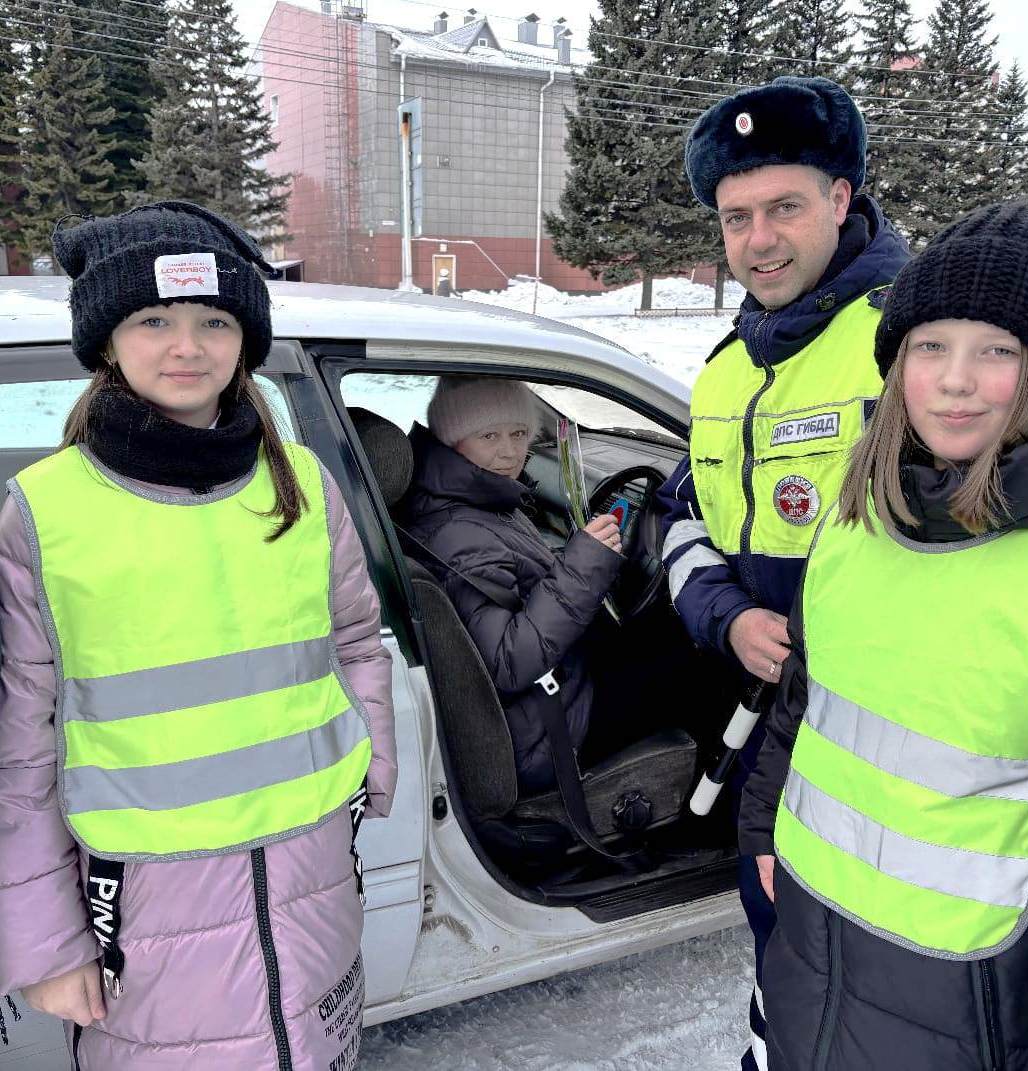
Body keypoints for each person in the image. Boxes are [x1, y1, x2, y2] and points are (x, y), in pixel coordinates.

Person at [740, 201, 1028, 1070]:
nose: (954, 379)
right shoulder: (856, 526)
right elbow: (806, 706)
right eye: (929, 345)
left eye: (996, 349)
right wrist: (761, 834)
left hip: (975, 1023)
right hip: (813, 971)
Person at [0, 202, 397, 1070]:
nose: (188, 347)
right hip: (147, 903)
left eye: (214, 320)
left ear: (245, 339)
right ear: (107, 341)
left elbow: (357, 642)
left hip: (312, 872)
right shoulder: (45, 512)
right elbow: (20, 751)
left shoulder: (301, 481)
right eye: (154, 320)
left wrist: (371, 761)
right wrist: (48, 944)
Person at [655, 75, 910, 1068]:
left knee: (884, 980)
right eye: (735, 217)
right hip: (772, 736)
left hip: (884, 742)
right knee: (787, 950)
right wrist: (724, 616)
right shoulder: (725, 372)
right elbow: (680, 517)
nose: (757, 239)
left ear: (840, 200)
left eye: (784, 208)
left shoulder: (910, 343)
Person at [402, 376, 623, 792]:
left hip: (550, 694)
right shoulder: (458, 532)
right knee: (687, 674)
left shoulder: (480, 499)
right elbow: (507, 662)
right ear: (452, 439)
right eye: (489, 435)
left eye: (519, 433)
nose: (509, 451)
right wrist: (583, 565)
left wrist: (569, 564)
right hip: (542, 730)